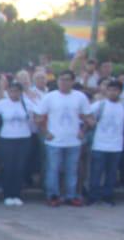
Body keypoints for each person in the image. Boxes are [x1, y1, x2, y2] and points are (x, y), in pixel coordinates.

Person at [35, 70, 92, 206]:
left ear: (72, 81)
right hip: (54, 141)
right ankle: (53, 195)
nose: (64, 82)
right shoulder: (50, 97)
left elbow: (88, 117)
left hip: (74, 141)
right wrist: (45, 132)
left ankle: (71, 196)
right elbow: (38, 117)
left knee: (72, 170)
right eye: (61, 79)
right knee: (53, 170)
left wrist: (83, 131)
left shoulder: (80, 97)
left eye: (67, 79)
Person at [86, 78, 124, 205]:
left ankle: (108, 196)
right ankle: (93, 196)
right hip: (99, 144)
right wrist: (91, 122)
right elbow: (86, 114)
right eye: (110, 90)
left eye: (115, 90)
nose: (112, 93)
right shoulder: (100, 104)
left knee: (111, 173)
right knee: (96, 172)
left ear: (120, 92)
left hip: (116, 145)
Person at [0, 82, 35, 206]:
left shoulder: (26, 103)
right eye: (11, 91)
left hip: (23, 138)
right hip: (7, 138)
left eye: (16, 91)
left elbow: (36, 113)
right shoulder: (2, 103)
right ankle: (7, 194)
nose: (14, 94)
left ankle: (17, 194)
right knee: (8, 167)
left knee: (19, 167)